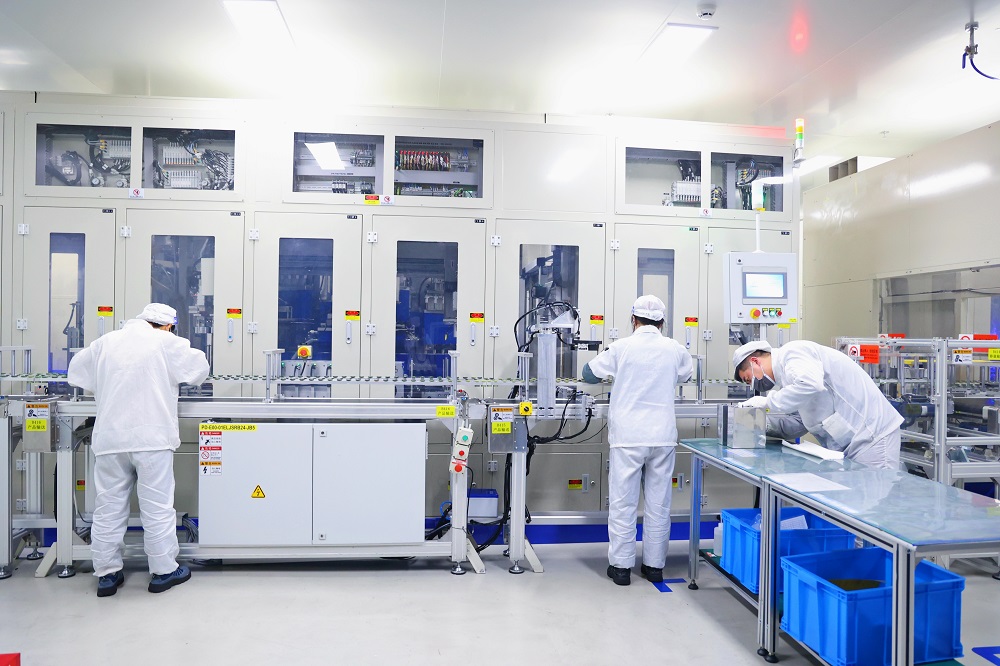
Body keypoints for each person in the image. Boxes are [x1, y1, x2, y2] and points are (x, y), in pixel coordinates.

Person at [67, 303, 209, 597]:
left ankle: (107, 574)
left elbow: (76, 373)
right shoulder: (166, 342)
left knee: (108, 507)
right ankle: (163, 571)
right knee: (157, 506)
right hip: (151, 440)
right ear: (168, 325)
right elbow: (199, 369)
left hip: (111, 440)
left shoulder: (105, 342)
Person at [582, 295, 693, 586]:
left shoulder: (621, 347)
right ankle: (654, 567)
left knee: (623, 503)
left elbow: (588, 374)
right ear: (662, 322)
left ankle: (621, 568)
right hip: (662, 437)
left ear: (633, 320)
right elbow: (686, 374)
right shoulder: (675, 349)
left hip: (629, 437)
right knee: (659, 504)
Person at [732, 339, 903, 469]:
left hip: (873, 437)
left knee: (876, 499)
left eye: (749, 378)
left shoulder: (793, 352)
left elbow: (810, 384)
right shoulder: (788, 380)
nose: (753, 385)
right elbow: (799, 423)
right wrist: (760, 423)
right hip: (849, 445)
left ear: (755, 361)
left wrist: (767, 402)